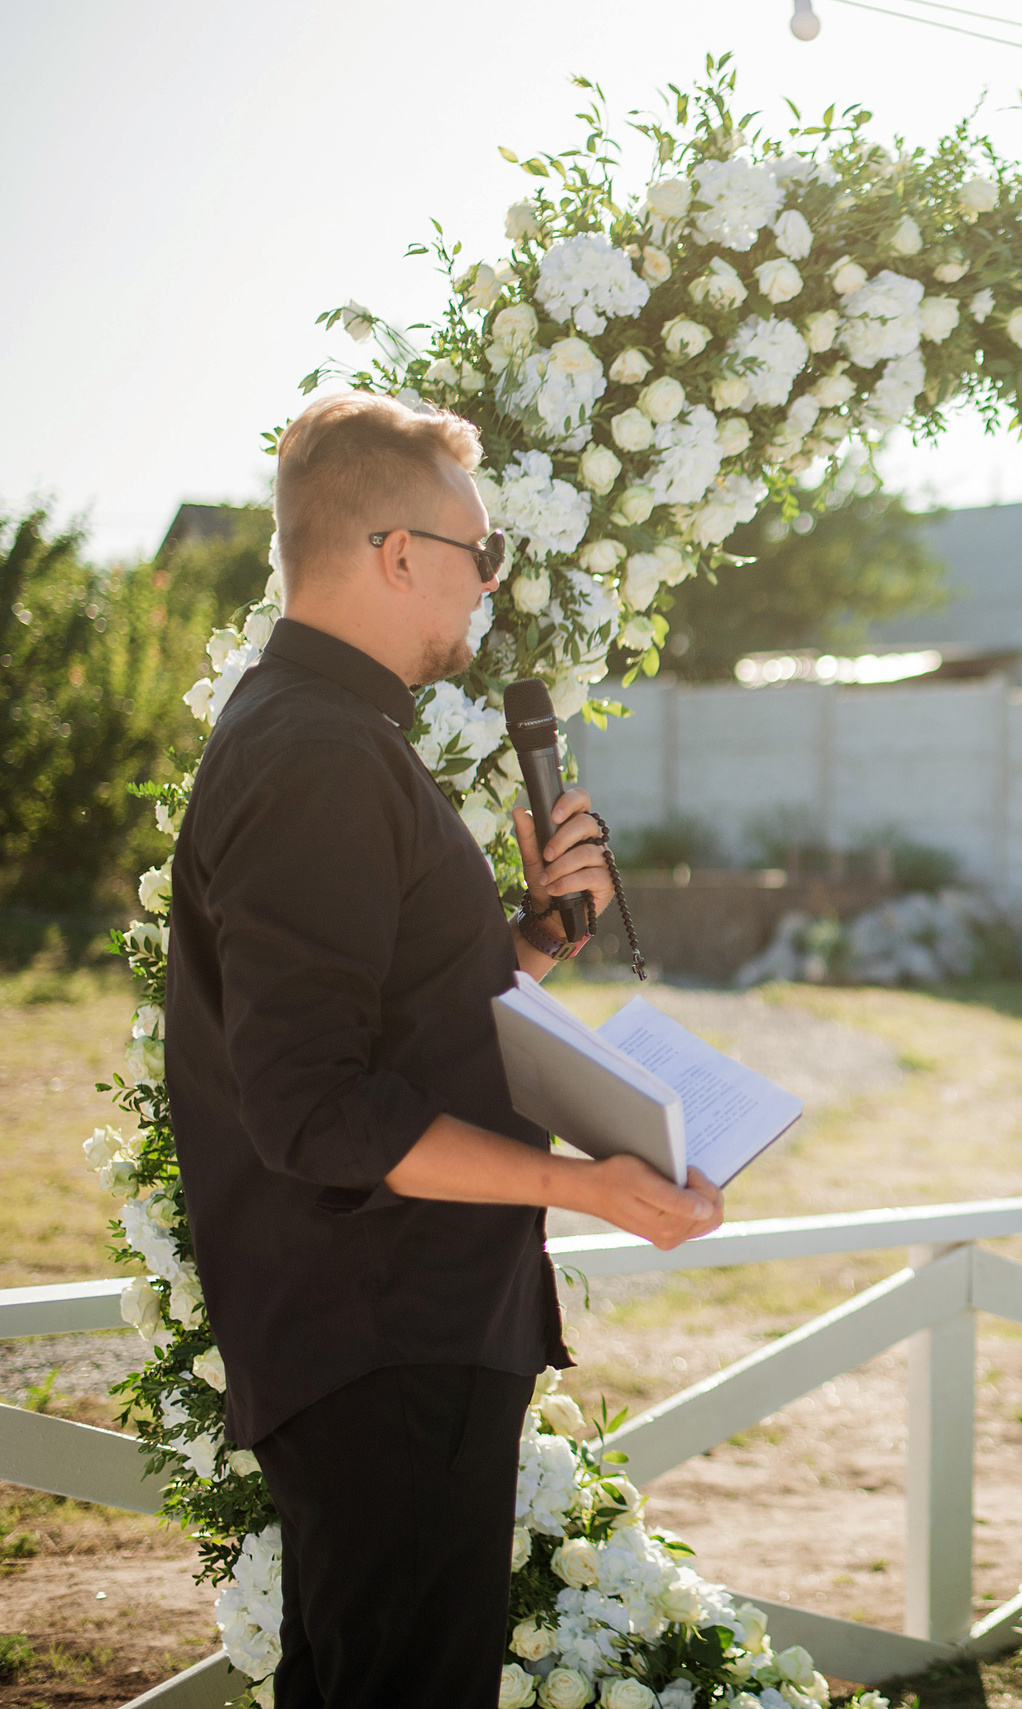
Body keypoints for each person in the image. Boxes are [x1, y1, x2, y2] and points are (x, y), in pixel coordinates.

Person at [165, 392, 730, 1706]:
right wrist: (585, 1184)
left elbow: (390, 1033)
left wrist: (531, 945)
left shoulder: (332, 737)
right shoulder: (316, 753)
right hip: (382, 1336)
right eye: (480, 552)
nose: (489, 584)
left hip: (397, 1332)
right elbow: (310, 1104)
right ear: (394, 552)